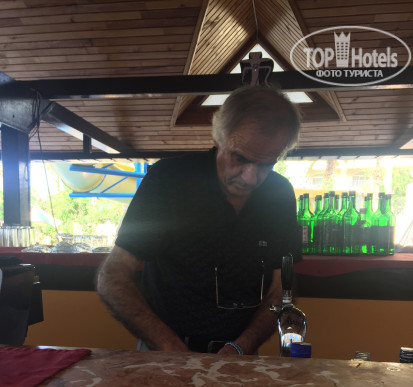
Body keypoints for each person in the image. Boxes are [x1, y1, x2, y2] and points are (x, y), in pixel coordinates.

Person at [97, 85, 302, 354]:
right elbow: (113, 275)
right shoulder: (169, 180)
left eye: (267, 164)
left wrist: (240, 347)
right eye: (239, 157)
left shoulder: (280, 194)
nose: (251, 178)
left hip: (241, 357)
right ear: (218, 137)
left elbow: (282, 288)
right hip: (164, 354)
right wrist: (172, 349)